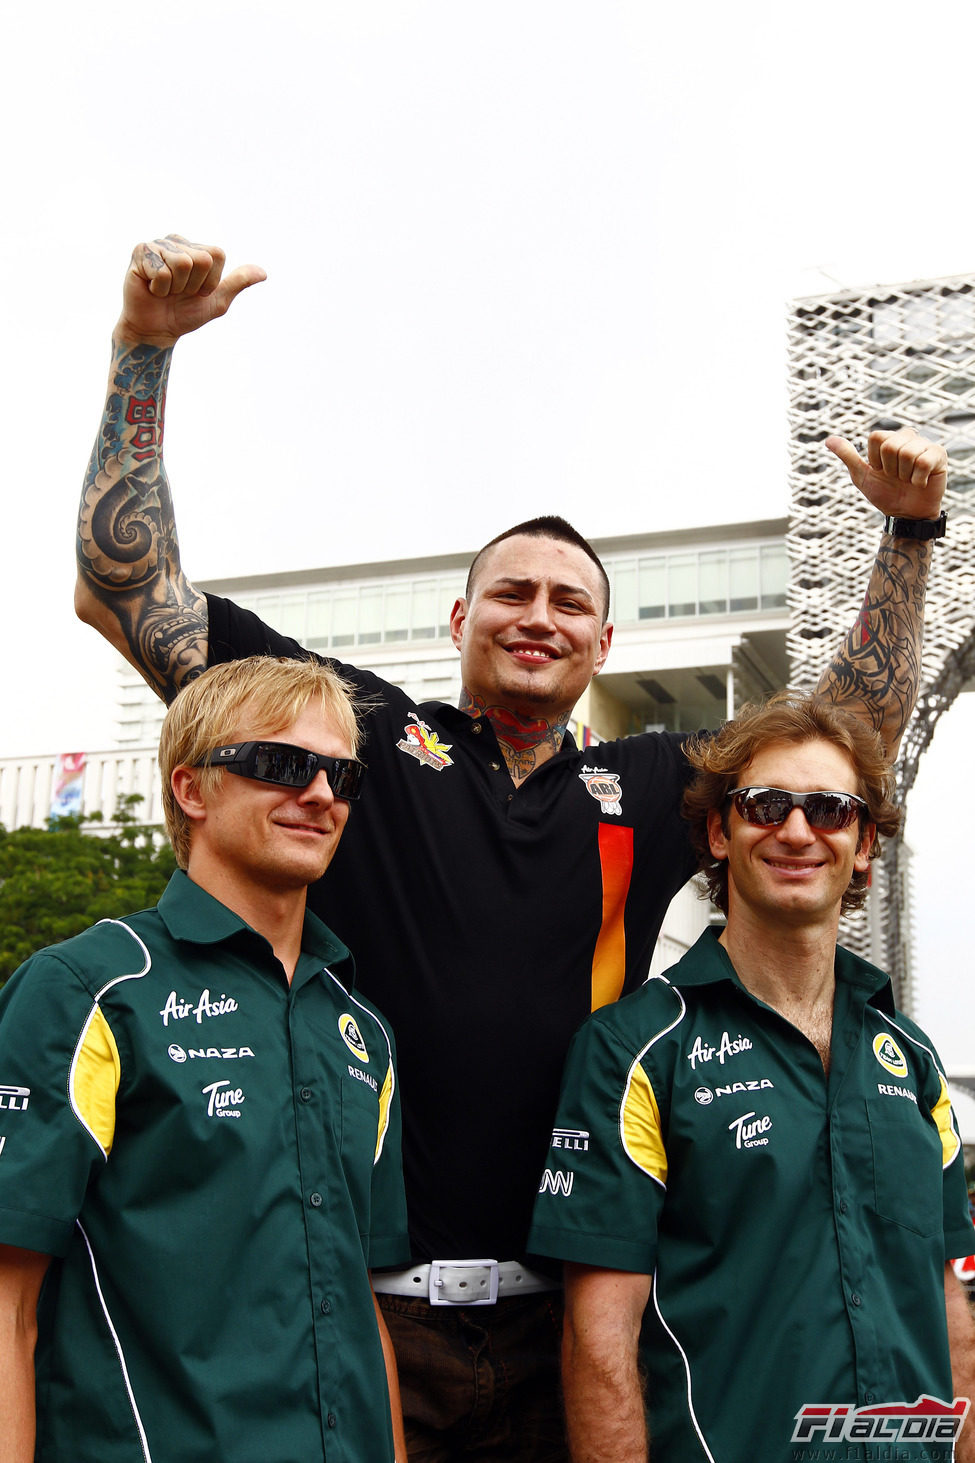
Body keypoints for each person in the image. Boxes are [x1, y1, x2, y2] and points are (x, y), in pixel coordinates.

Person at [75, 233, 950, 1462]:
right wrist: (145, 348)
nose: (540, 614)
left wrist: (910, 539)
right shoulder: (358, 733)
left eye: (570, 601)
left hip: (573, 1321)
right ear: (461, 619)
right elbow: (127, 587)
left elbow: (845, 736)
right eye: (512, 592)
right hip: (363, 1312)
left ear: (604, 643)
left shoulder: (652, 781)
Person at [528, 693, 975, 1463]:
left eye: (830, 810)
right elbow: (599, 1342)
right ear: (716, 831)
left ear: (864, 843)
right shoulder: (632, 1048)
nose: (797, 830)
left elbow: (946, 1308)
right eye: (766, 804)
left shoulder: (913, 1057)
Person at [0, 655, 410, 1463]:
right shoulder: (87, 988)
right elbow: (7, 1302)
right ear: (192, 789)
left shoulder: (363, 1029)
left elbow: (364, 1309)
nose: (321, 794)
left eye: (341, 774)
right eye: (282, 764)